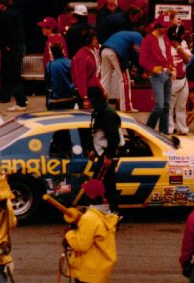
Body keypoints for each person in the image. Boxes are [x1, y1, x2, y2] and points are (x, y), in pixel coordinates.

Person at [71, 28, 122, 213]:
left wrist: (108, 155)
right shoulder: (81, 56)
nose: (96, 41)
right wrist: (84, 97)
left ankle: (105, 212)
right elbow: (82, 79)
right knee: (107, 183)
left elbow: (93, 77)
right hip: (88, 93)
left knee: (102, 183)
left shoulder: (90, 53)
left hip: (106, 153)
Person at [64, 179, 118, 283]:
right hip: (98, 270)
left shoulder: (90, 217)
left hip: (87, 271)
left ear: (88, 195)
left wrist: (69, 234)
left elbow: (81, 245)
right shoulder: (106, 213)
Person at [139, 13, 175, 134]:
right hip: (157, 74)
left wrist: (173, 67)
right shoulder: (148, 40)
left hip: (167, 72)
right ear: (158, 26)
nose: (165, 30)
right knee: (159, 105)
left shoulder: (165, 38)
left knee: (166, 105)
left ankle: (164, 132)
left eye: (167, 27)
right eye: (163, 27)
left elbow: (169, 54)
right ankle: (148, 129)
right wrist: (153, 68)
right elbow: (142, 60)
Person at [0, 0, 27, 112]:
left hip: (13, 49)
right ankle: (22, 98)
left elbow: (12, 31)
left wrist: (9, 45)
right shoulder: (15, 13)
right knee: (16, 74)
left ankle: (21, 103)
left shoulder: (8, 15)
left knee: (14, 75)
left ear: (2, 4)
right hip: (18, 47)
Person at [100, 30, 142, 112]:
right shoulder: (139, 37)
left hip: (104, 50)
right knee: (124, 79)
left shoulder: (126, 34)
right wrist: (141, 70)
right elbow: (137, 55)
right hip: (115, 51)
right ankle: (126, 107)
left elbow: (131, 54)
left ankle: (101, 105)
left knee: (105, 78)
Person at [167, 25, 192, 135]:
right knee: (169, 108)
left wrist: (178, 47)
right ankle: (169, 130)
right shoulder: (165, 46)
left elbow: (188, 59)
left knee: (181, 107)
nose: (175, 40)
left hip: (183, 80)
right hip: (171, 80)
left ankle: (183, 129)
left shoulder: (183, 44)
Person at [45, 42, 75, 110]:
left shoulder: (49, 65)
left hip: (54, 99)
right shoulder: (70, 63)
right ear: (62, 51)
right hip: (69, 98)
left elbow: (47, 84)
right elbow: (75, 79)